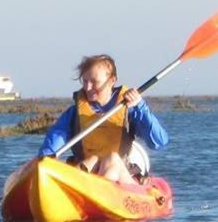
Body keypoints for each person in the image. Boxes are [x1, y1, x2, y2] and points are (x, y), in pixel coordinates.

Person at [38, 54, 168, 185]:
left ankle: (100, 190)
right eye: (85, 81)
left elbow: (158, 142)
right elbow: (52, 146)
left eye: (94, 82)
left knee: (112, 159)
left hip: (120, 177)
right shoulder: (73, 114)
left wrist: (140, 107)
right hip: (87, 173)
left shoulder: (131, 109)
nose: (88, 87)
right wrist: (45, 160)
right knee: (92, 160)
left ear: (112, 80)